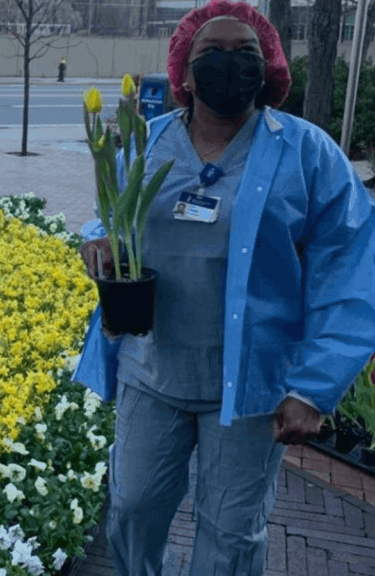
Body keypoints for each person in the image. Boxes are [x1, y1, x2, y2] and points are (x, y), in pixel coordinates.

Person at [71, 1, 375, 575]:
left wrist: (313, 388)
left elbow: (352, 264)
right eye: (212, 53)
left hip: (252, 388)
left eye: (247, 54)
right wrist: (99, 239)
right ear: (184, 72)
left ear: (271, 68)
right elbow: (111, 213)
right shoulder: (147, 140)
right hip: (153, 369)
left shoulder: (307, 154)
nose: (230, 64)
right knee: (132, 508)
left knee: (230, 534)